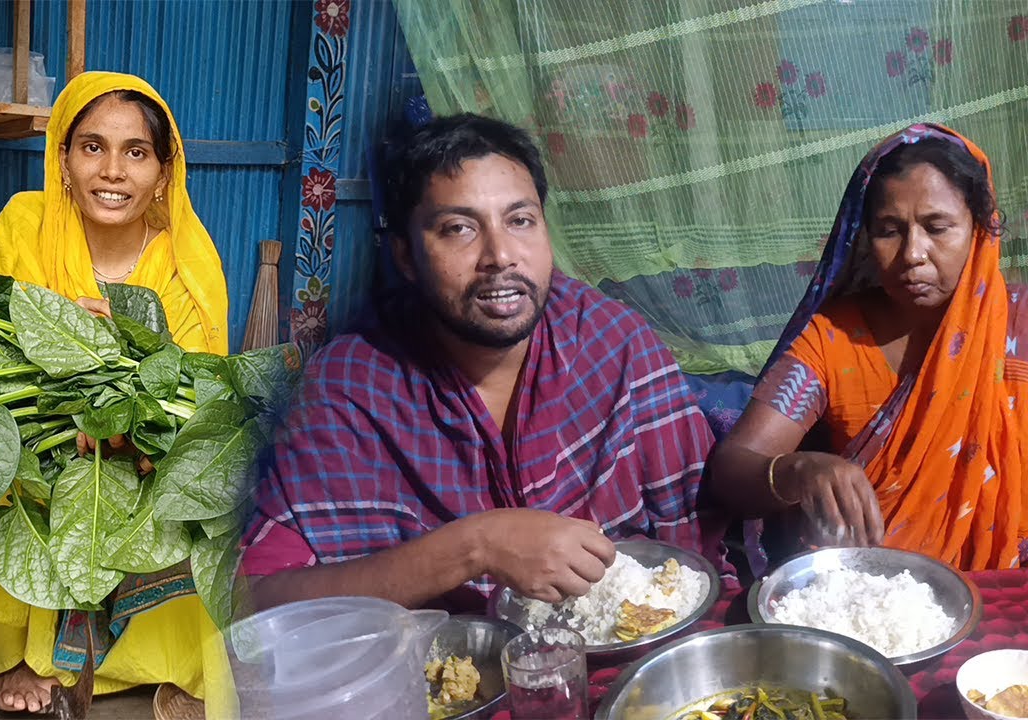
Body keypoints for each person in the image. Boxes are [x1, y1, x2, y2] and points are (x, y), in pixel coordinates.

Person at [241, 113, 723, 613]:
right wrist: (475, 546)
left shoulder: (611, 341)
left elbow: (699, 530)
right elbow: (258, 600)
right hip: (448, 677)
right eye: (459, 228)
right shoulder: (350, 388)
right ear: (406, 257)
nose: (500, 255)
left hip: (635, 656)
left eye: (520, 221)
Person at [0, 72, 233, 714]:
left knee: (207, 482)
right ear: (62, 157)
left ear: (165, 172)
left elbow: (200, 384)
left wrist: (127, 396)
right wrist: (55, 332)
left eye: (136, 152)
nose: (112, 171)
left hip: (143, 450)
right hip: (48, 437)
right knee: (8, 452)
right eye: (92, 147)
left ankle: (161, 658)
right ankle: (30, 656)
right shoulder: (25, 225)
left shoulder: (185, 260)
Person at [709, 124, 1027, 571]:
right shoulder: (835, 336)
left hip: (1006, 589)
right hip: (870, 591)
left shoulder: (1019, 326)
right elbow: (733, 467)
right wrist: (801, 470)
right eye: (889, 230)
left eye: (937, 227)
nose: (913, 253)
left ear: (980, 227)